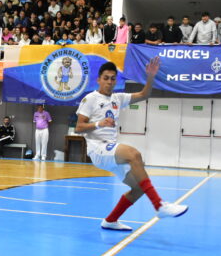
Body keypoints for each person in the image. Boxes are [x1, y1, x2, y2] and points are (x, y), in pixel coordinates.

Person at [76, 57, 188, 231]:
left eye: (113, 78)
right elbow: (79, 127)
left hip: (110, 150)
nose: (109, 81)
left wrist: (150, 76)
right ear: (98, 79)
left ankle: (111, 220)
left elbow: (144, 94)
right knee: (134, 154)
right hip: (98, 148)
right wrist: (99, 123)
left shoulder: (118, 98)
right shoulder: (90, 99)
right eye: (106, 78)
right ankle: (159, 205)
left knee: (138, 188)